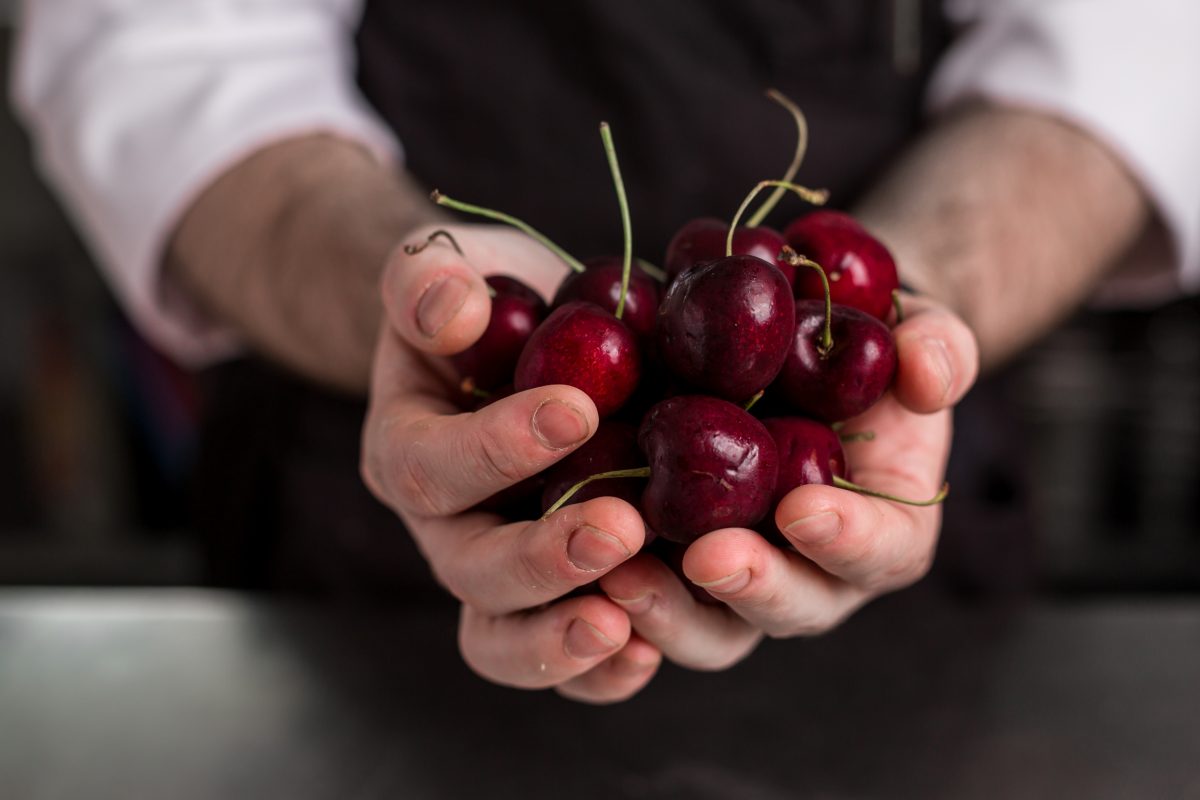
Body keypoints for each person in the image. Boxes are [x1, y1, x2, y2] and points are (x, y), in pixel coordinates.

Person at [12, 1, 1200, 703]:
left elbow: (1138, 38)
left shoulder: (837, 354)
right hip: (375, 519)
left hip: (863, 494)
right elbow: (160, 38)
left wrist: (932, 284)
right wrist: (412, 299)